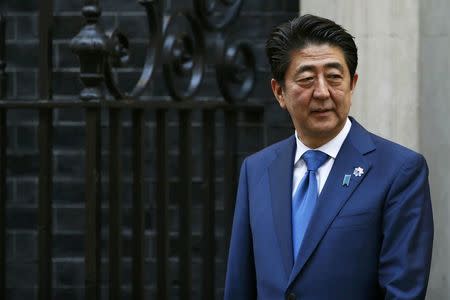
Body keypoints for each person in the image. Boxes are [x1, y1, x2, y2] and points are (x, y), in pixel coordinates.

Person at [224, 14, 433, 300]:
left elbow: (403, 292)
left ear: (352, 84)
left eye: (334, 77)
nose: (322, 92)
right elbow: (240, 285)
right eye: (307, 79)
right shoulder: (257, 169)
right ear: (279, 92)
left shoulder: (399, 170)